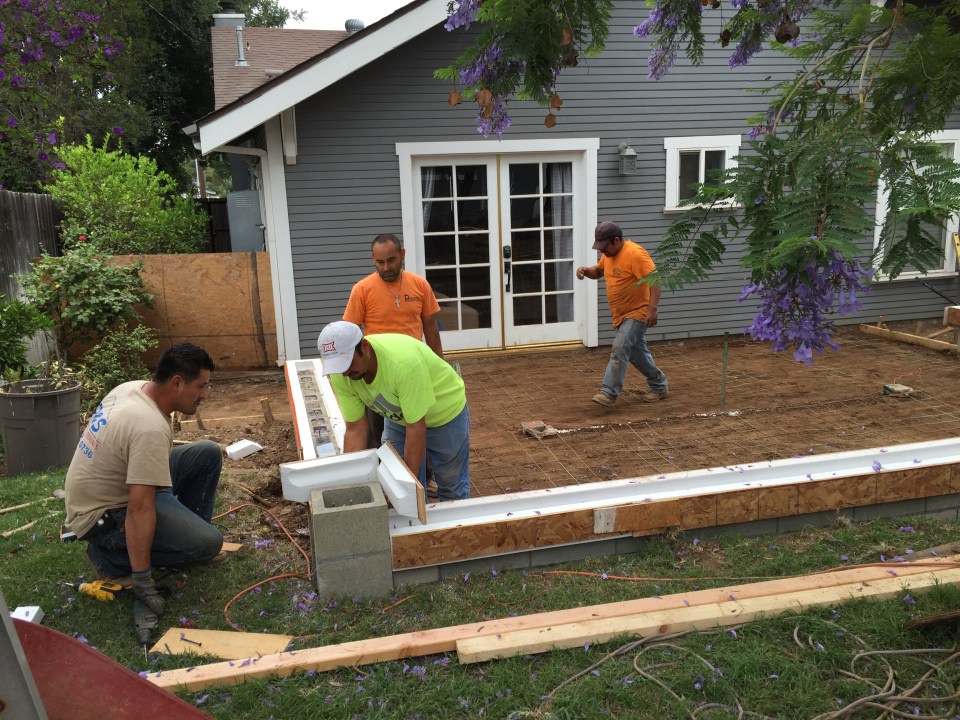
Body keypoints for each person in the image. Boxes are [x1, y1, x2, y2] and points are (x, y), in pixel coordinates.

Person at [64, 343, 223, 640]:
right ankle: (112, 558)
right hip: (104, 517)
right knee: (208, 544)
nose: (204, 394)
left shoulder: (131, 389)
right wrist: (143, 583)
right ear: (177, 382)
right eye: (201, 386)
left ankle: (185, 538)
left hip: (114, 487)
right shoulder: (148, 426)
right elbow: (139, 508)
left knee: (207, 453)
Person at [317, 321, 470, 501]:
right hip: (399, 418)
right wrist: (349, 485)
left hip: (445, 414)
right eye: (338, 366)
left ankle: (453, 526)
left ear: (364, 347)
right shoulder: (343, 374)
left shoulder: (403, 364)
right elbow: (355, 429)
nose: (344, 372)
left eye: (347, 362)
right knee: (395, 476)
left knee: (451, 485)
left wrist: (408, 488)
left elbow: (416, 428)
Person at [343, 233, 444, 450]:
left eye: (391, 260)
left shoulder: (420, 285)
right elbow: (348, 333)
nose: (386, 267)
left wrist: (440, 368)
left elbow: (431, 330)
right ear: (372, 259)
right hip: (378, 374)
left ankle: (423, 477)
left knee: (418, 426)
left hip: (413, 371)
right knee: (376, 432)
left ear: (402, 255)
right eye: (380, 262)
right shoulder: (361, 289)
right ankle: (379, 473)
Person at [575, 221, 669, 408]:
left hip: (638, 312)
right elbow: (599, 271)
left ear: (616, 240)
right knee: (636, 354)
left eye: (605, 247)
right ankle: (659, 385)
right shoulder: (608, 255)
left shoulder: (635, 254)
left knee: (619, 347)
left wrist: (652, 308)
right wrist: (586, 271)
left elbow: (655, 280)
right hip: (620, 316)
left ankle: (608, 392)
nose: (603, 252)